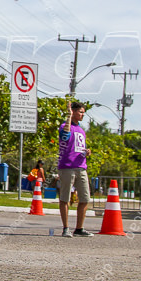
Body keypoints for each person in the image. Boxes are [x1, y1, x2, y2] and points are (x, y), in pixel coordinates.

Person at [57, 100, 92, 237]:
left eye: (84, 112)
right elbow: (65, 136)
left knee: (84, 198)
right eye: (80, 112)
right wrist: (68, 116)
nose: (83, 115)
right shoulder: (65, 126)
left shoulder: (82, 131)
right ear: (73, 112)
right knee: (65, 198)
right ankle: (66, 228)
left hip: (81, 167)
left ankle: (79, 228)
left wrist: (87, 152)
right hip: (67, 167)